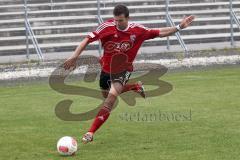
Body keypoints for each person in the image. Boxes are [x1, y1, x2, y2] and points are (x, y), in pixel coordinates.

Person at [63, 4, 195, 143]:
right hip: (106, 69)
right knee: (106, 95)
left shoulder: (137, 30)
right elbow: (87, 40)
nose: (117, 23)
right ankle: (135, 87)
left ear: (128, 18)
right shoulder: (106, 27)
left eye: (120, 20)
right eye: (115, 20)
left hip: (123, 70)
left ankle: (90, 132)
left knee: (109, 102)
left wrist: (179, 27)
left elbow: (159, 32)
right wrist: (74, 57)